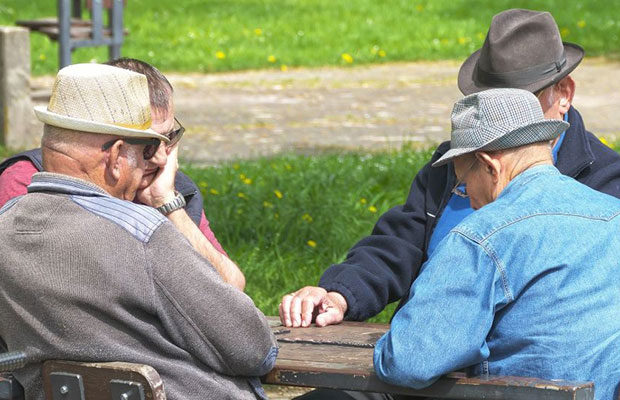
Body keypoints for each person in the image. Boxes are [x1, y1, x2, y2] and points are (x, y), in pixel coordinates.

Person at [279, 8, 620, 328]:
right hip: (419, 354)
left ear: (564, 94)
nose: (506, 122)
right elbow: (401, 243)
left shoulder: (605, 184)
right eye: (494, 103)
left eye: (523, 103)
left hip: (517, 369)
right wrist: (340, 294)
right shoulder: (458, 161)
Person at [0, 63, 277, 400]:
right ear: (117, 156)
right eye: (148, 148)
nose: (158, 160)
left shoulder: (6, 226)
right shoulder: (143, 234)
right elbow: (254, 348)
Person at [373, 88, 620, 400]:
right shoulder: (613, 215)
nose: (469, 199)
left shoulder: (482, 238)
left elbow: (410, 361)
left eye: (463, 185)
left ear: (490, 166)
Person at [0, 58, 246, 290]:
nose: (161, 158)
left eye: (170, 138)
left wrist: (168, 206)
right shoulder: (28, 182)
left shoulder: (170, 188)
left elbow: (230, 290)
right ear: (111, 143)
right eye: (148, 145)